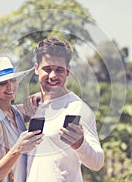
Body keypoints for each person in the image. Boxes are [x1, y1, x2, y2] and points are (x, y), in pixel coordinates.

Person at [26, 37, 105, 182]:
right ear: (36, 69)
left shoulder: (78, 108)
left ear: (68, 71)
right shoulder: (35, 106)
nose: (53, 75)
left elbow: (98, 162)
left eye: (59, 70)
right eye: (47, 69)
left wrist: (80, 144)